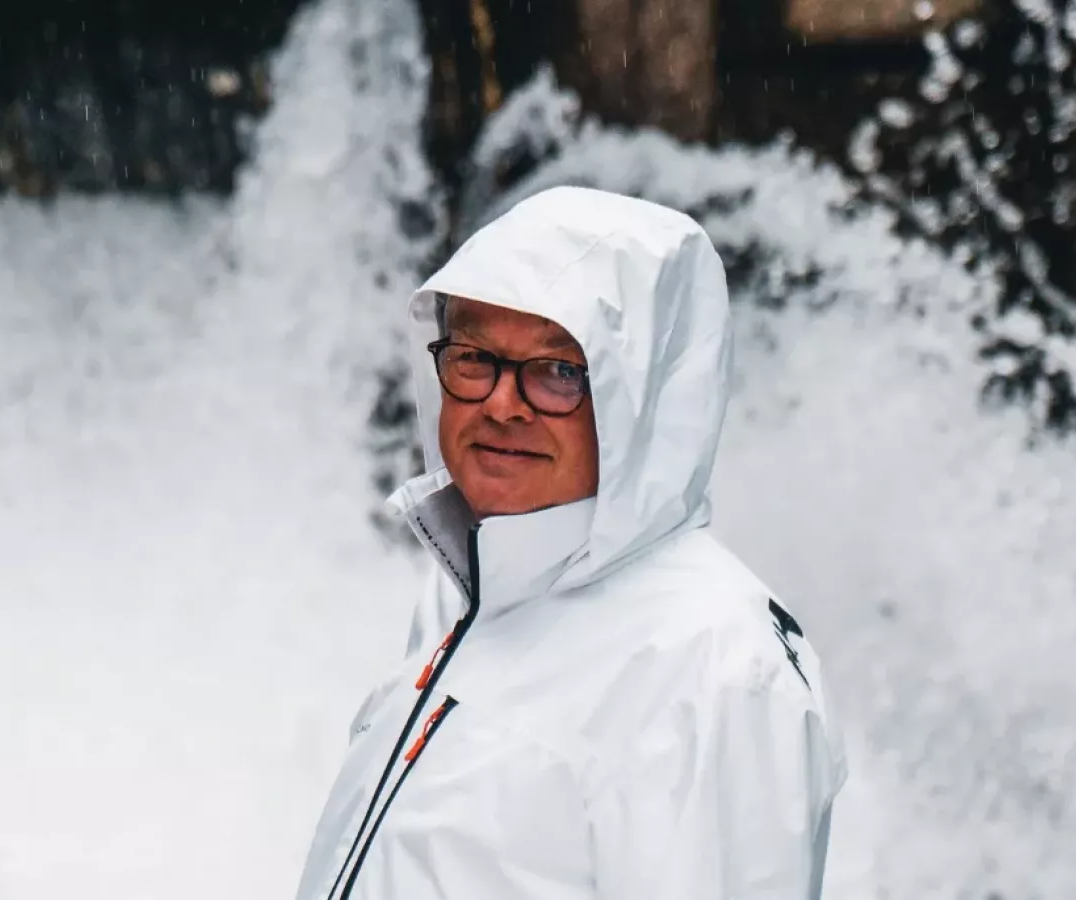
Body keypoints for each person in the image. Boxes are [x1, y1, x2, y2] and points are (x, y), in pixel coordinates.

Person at [296, 186, 848, 900]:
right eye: (475, 358)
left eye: (560, 372)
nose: (501, 403)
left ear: (644, 397)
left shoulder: (710, 662)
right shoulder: (472, 587)